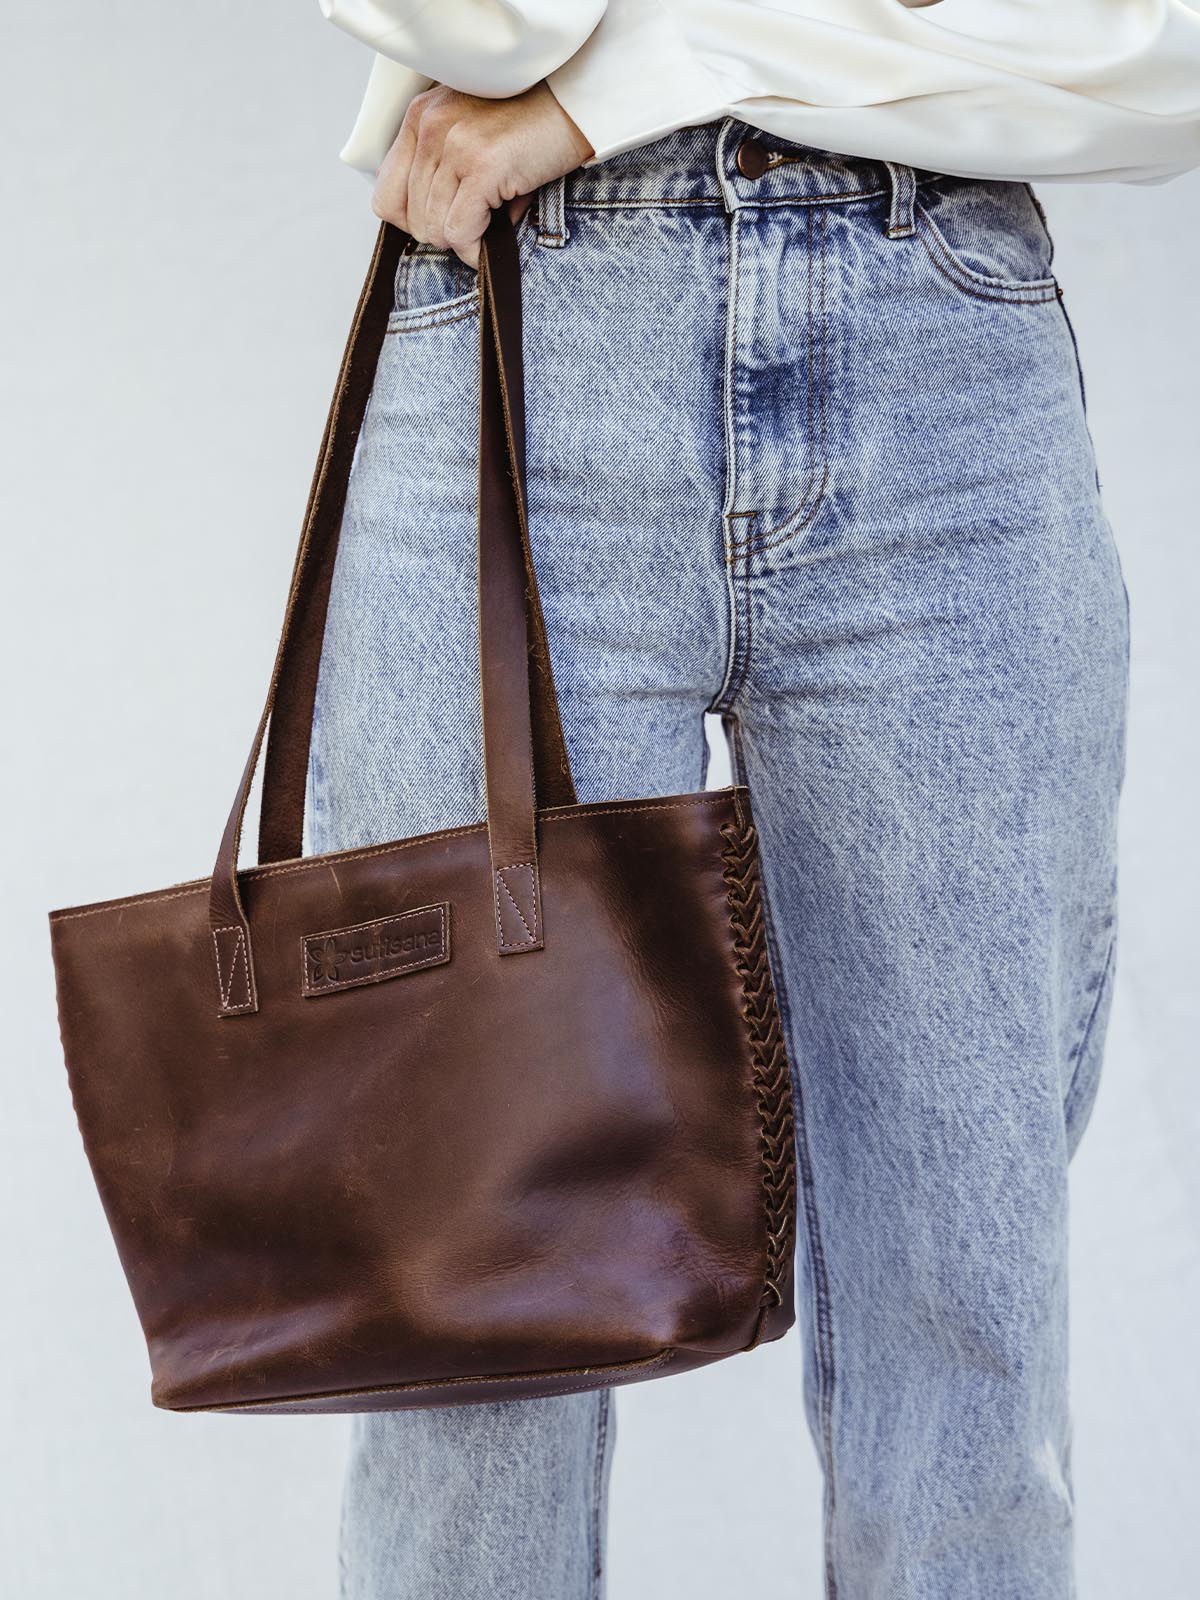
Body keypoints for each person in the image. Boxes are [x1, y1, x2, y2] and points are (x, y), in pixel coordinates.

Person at [307, 4, 1200, 1596]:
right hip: (523, 334)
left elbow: (1152, 46)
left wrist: (646, 77)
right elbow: (494, 26)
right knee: (472, 1336)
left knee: (964, 1340)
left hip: (943, 353)